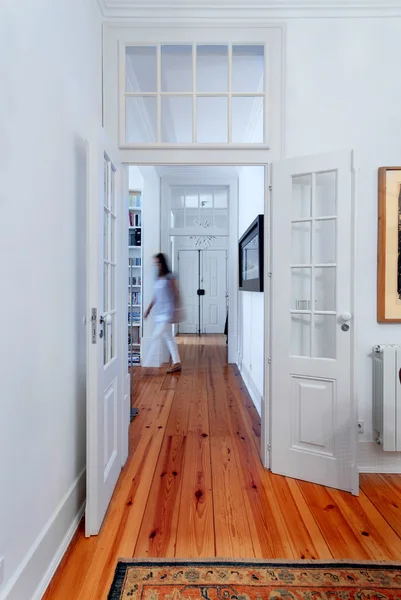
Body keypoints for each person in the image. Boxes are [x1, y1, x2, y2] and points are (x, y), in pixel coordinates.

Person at [144, 253, 182, 374]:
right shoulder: (158, 277)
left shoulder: (170, 276)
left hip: (167, 312)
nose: (157, 265)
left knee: (156, 336)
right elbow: (156, 295)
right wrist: (148, 309)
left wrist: (176, 311)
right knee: (169, 338)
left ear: (163, 262)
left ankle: (147, 365)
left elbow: (176, 293)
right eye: (156, 263)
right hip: (159, 313)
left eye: (158, 263)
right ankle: (177, 362)